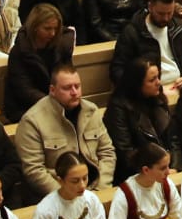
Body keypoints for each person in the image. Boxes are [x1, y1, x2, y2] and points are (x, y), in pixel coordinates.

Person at [16, 63, 117, 196]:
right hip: (58, 194)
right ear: (52, 90)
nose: (74, 92)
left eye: (77, 86)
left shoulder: (91, 110)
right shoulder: (32, 121)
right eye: (67, 88)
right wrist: (66, 196)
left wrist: (100, 189)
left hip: (95, 188)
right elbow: (34, 170)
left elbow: (107, 152)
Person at [105, 58, 175, 182]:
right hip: (139, 175)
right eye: (152, 80)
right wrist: (159, 170)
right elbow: (126, 153)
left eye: (158, 77)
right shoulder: (118, 108)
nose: (158, 82)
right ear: (137, 84)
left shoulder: (158, 99)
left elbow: (174, 139)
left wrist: (174, 166)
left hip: (167, 169)